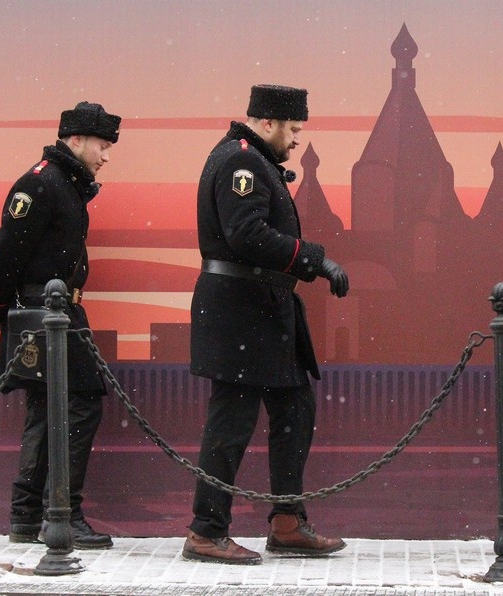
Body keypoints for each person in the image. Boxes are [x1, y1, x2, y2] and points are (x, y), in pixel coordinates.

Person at [184, 84, 349, 565]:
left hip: (261, 309)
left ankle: (287, 522)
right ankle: (205, 531)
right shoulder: (241, 162)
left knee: (295, 410)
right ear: (270, 122)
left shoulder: (251, 159)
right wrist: (314, 260)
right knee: (231, 422)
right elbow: (247, 234)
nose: (297, 138)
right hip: (241, 310)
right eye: (294, 128)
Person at [0, 102, 121, 550]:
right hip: (44, 312)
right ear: (75, 140)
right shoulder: (40, 185)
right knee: (77, 405)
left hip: (54, 311)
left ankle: (29, 515)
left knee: (50, 409)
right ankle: (60, 513)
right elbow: (6, 252)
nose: (106, 155)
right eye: (101, 145)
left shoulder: (63, 185)